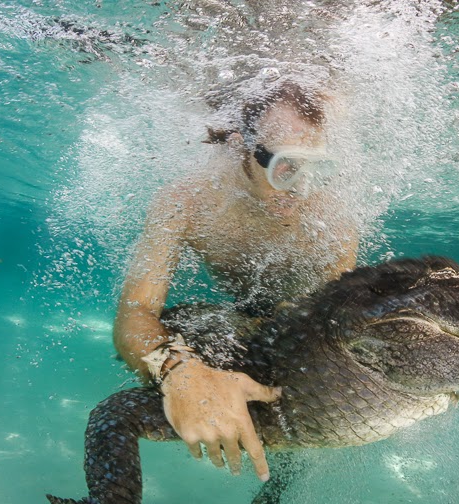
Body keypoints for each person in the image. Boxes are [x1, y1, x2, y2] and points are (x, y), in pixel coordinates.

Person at [113, 80, 358, 482]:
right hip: (231, 324)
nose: (300, 188)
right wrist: (177, 372)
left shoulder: (332, 221)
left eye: (318, 168)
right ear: (244, 147)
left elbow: (333, 325)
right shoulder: (186, 203)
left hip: (293, 326)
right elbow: (135, 314)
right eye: (287, 166)